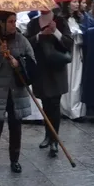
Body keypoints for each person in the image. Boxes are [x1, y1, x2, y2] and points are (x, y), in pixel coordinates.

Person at [0, 10, 36, 177]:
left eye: (15, 21)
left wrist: (17, 63)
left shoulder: (22, 40)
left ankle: (15, 160)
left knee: (15, 127)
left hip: (15, 92)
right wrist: (0, 53)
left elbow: (32, 63)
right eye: (11, 21)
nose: (14, 24)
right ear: (3, 23)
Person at [26, 9, 72, 158]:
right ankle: (47, 135)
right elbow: (27, 44)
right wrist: (40, 35)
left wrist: (55, 31)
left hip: (57, 68)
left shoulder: (60, 21)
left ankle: (55, 139)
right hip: (41, 69)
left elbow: (68, 43)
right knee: (45, 103)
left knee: (55, 103)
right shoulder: (33, 23)